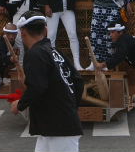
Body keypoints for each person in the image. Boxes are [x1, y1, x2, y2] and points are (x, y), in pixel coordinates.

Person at [10, 13, 83, 152]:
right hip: (55, 124)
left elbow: (38, 86)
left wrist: (20, 105)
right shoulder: (55, 52)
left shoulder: (35, 54)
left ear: (23, 32)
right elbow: (78, 81)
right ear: (45, 30)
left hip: (58, 127)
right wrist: (71, 108)